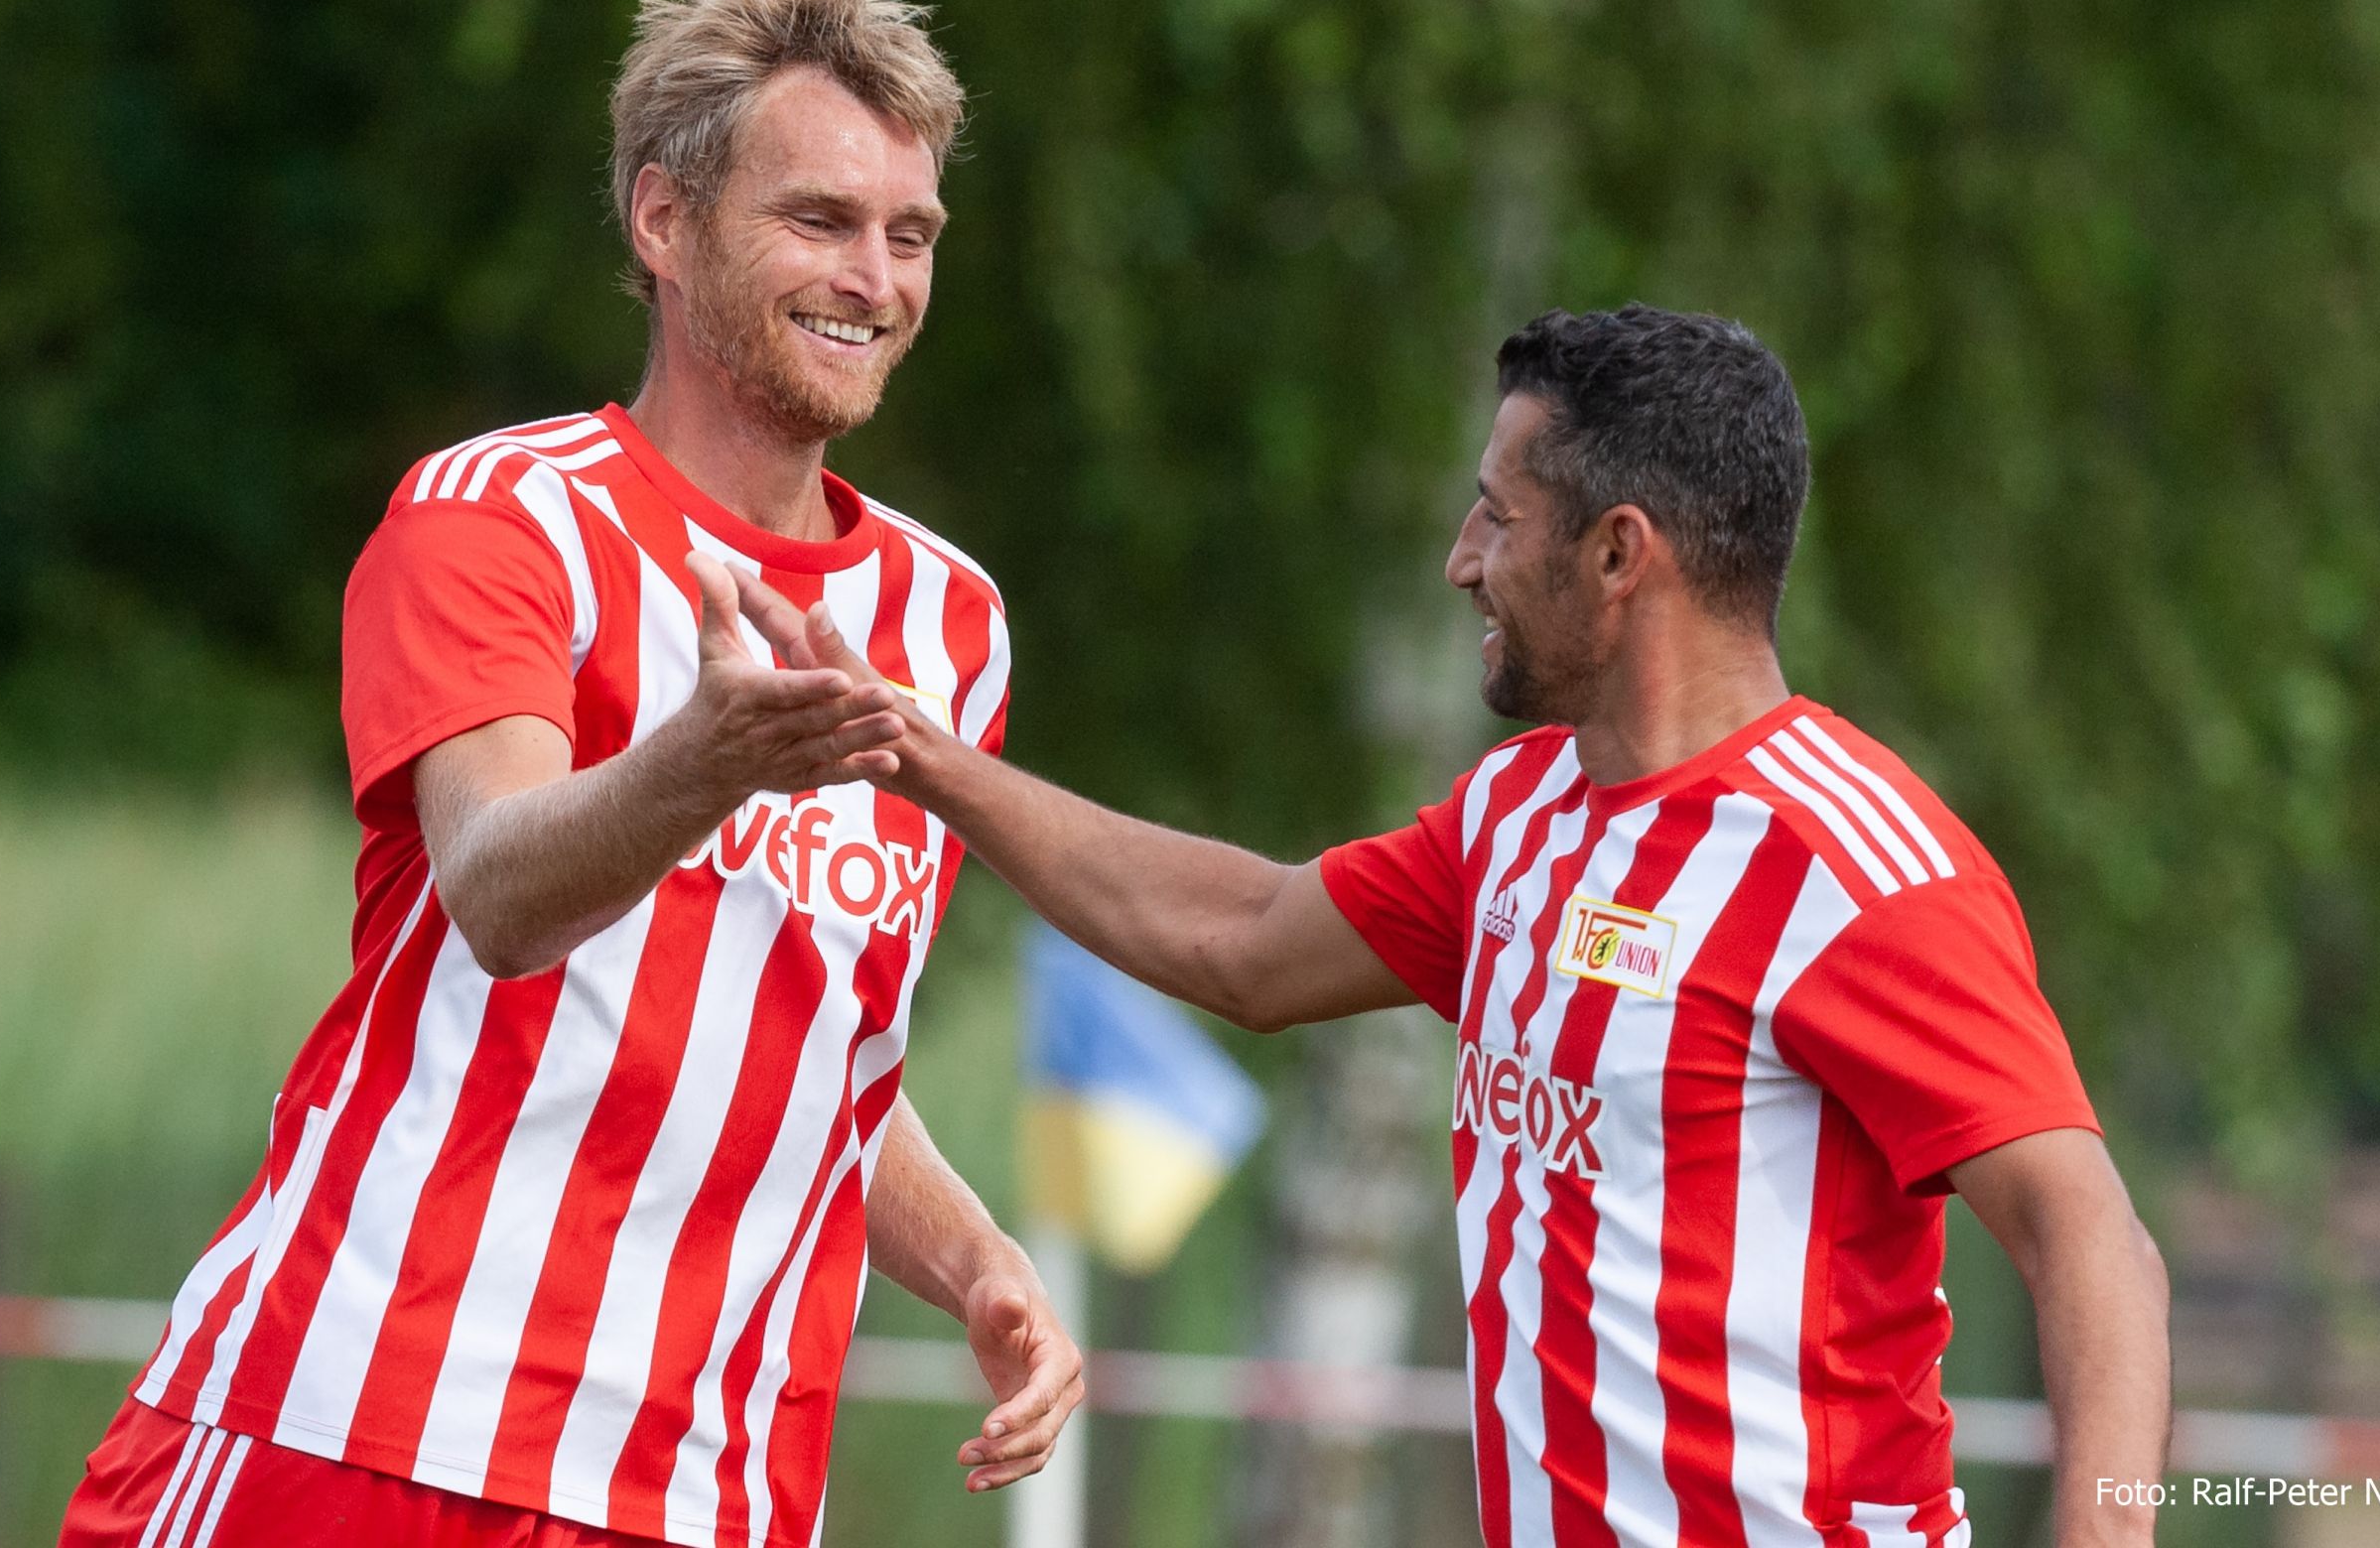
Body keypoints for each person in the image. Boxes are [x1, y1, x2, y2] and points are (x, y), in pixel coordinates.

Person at [759, 305, 2172, 1546]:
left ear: (1620, 555)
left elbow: (2091, 1241)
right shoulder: (1517, 820)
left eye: (1499, 514)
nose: (1460, 560)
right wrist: (923, 756)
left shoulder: (1854, 871)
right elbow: (1247, 939)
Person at [60, 0, 1081, 1548]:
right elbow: (498, 889)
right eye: (818, 219)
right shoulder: (500, 517)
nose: (873, 277)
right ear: (664, 224)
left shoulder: (955, 620)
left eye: (912, 234)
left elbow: (816, 1045)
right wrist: (708, 757)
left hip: (712, 1495)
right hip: (378, 1430)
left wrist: (974, 1261)